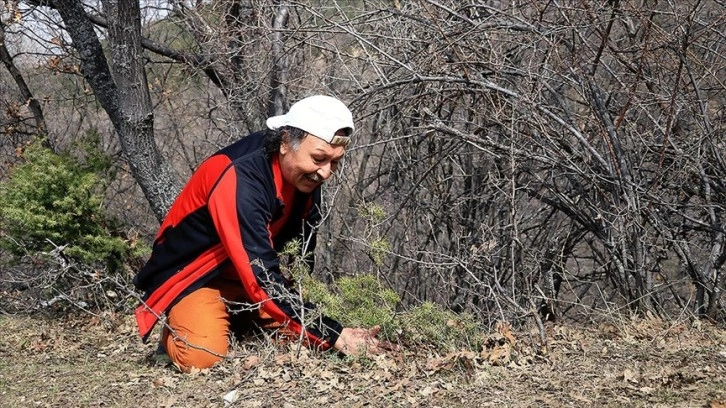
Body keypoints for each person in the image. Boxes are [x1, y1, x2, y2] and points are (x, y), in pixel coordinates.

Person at [133, 95, 387, 372]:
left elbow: (298, 253)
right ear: (285, 143)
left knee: (305, 338)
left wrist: (321, 322)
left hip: (249, 279)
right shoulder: (240, 178)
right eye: (318, 158)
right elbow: (260, 273)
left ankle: (237, 320)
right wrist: (333, 334)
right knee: (201, 358)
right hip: (198, 278)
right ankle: (178, 331)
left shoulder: (303, 176)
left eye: (335, 162)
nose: (326, 172)